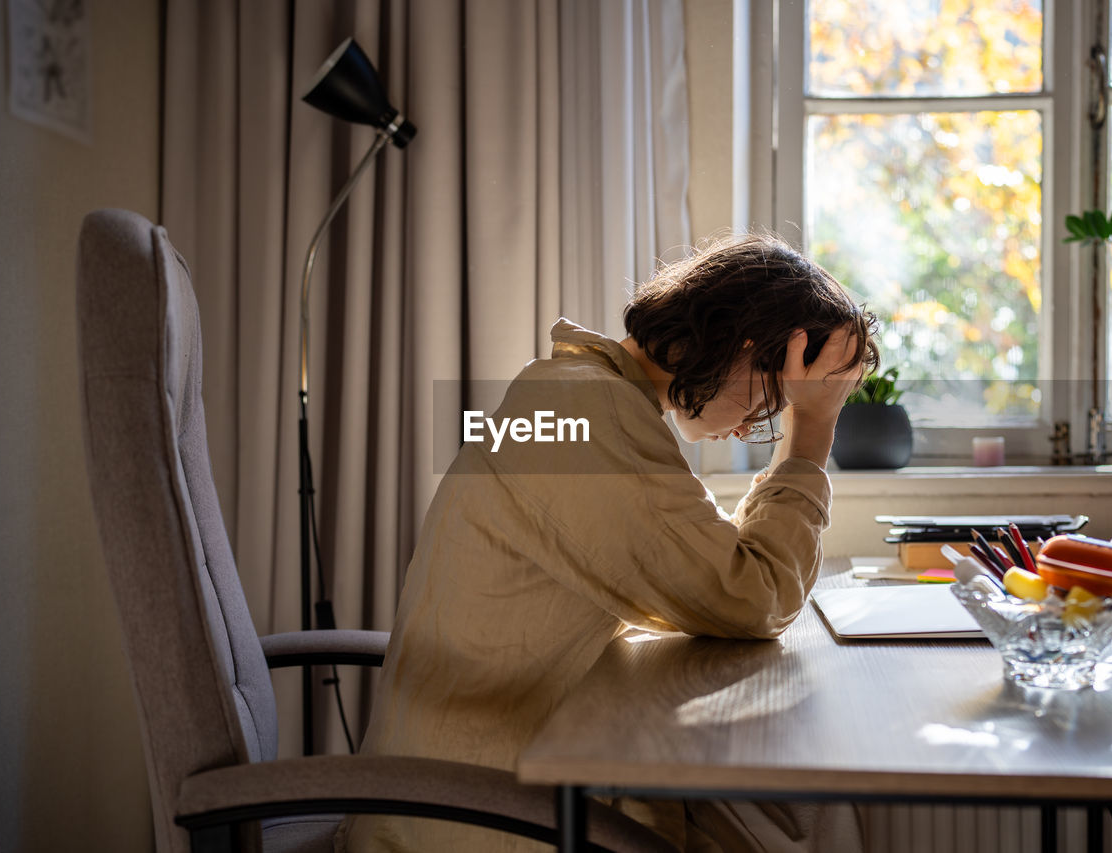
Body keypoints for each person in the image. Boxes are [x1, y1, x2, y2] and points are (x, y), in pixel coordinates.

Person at [337, 232, 880, 852]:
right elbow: (754, 595)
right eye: (772, 399)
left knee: (799, 816)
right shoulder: (588, 415)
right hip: (481, 812)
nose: (755, 425)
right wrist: (812, 429)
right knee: (811, 819)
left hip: (504, 771)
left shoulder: (579, 394)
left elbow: (708, 571)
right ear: (742, 347)